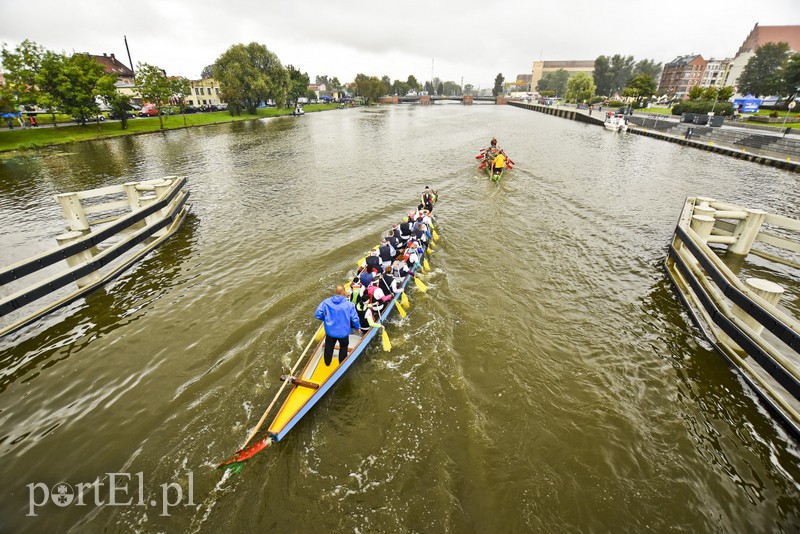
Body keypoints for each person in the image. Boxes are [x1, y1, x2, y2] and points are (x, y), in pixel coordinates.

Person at [315, 285, 361, 366]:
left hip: (330, 331)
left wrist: (326, 319)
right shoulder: (349, 305)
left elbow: (317, 314)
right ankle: (341, 364)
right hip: (343, 333)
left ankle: (327, 362)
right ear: (344, 292)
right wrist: (358, 328)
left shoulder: (326, 302)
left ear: (336, 292)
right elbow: (354, 318)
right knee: (343, 347)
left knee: (329, 346)